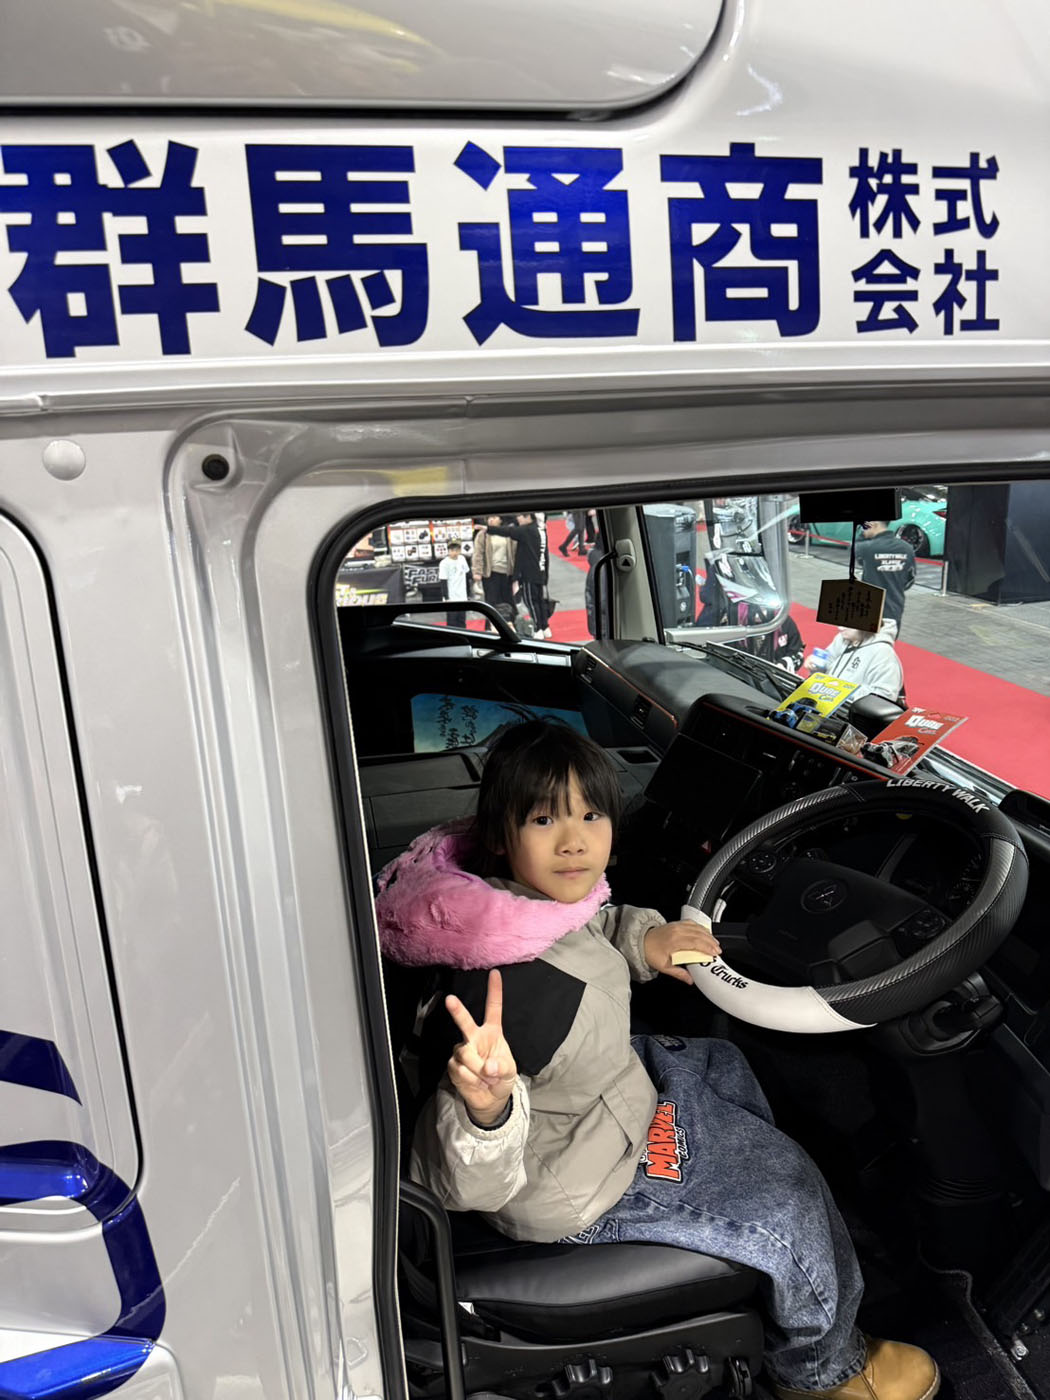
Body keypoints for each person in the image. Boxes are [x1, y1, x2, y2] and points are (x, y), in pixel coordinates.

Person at [375, 722, 939, 1400]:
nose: (574, 841)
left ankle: (744, 1218)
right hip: (572, 1174)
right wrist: (486, 1110)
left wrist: (644, 940)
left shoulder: (513, 906)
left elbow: (593, 926)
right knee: (786, 1197)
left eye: (591, 815)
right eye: (545, 820)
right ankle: (823, 1371)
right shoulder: (512, 997)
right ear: (500, 835)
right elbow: (463, 1183)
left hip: (594, 1097)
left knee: (720, 1062)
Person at [486, 511, 553, 639]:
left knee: (531, 602)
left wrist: (488, 529)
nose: (518, 519)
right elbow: (545, 555)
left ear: (528, 517)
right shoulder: (540, 531)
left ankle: (538, 628)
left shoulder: (526, 530)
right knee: (539, 601)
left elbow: (508, 532)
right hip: (540, 571)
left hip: (529, 574)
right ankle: (545, 627)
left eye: (520, 517)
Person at [806, 623, 905, 703]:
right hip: (826, 702)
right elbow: (827, 664)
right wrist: (816, 667)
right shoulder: (842, 638)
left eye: (847, 624)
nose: (840, 628)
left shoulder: (883, 653)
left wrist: (842, 691)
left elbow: (884, 697)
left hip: (853, 714)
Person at [856, 522, 916, 637]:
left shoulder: (866, 547)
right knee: (888, 642)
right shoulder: (907, 548)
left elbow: (854, 552)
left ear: (873, 523)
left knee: (866, 644)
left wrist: (862, 536)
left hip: (869, 607)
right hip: (895, 606)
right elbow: (910, 579)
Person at [473, 514, 517, 613]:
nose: (491, 520)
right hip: (491, 573)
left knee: (508, 601)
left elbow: (514, 552)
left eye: (494, 518)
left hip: (507, 573)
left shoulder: (508, 533)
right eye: (489, 518)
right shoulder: (483, 534)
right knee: (492, 602)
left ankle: (510, 620)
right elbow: (478, 554)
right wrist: (477, 571)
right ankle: (490, 622)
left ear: (500, 520)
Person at [437, 540, 470, 629]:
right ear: (448, 551)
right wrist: (446, 597)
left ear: (460, 550)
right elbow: (443, 581)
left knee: (462, 620)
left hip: (462, 597)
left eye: (457, 550)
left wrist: (468, 594)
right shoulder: (444, 563)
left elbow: (466, 575)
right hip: (451, 597)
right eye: (452, 550)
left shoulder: (462, 559)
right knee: (452, 622)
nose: (454, 553)